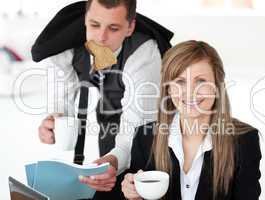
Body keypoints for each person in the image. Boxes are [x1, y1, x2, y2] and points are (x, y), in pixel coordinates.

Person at [32, 0, 173, 198]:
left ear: (130, 27)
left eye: (113, 28)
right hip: (108, 128)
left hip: (153, 137)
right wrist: (55, 120)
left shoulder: (144, 54)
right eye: (94, 25)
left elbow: (134, 127)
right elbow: (63, 98)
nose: (101, 37)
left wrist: (113, 161)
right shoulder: (68, 47)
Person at [121, 40, 262, 200]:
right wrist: (132, 194)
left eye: (201, 81)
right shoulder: (145, 137)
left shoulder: (244, 140)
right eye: (180, 82)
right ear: (168, 88)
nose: (190, 92)